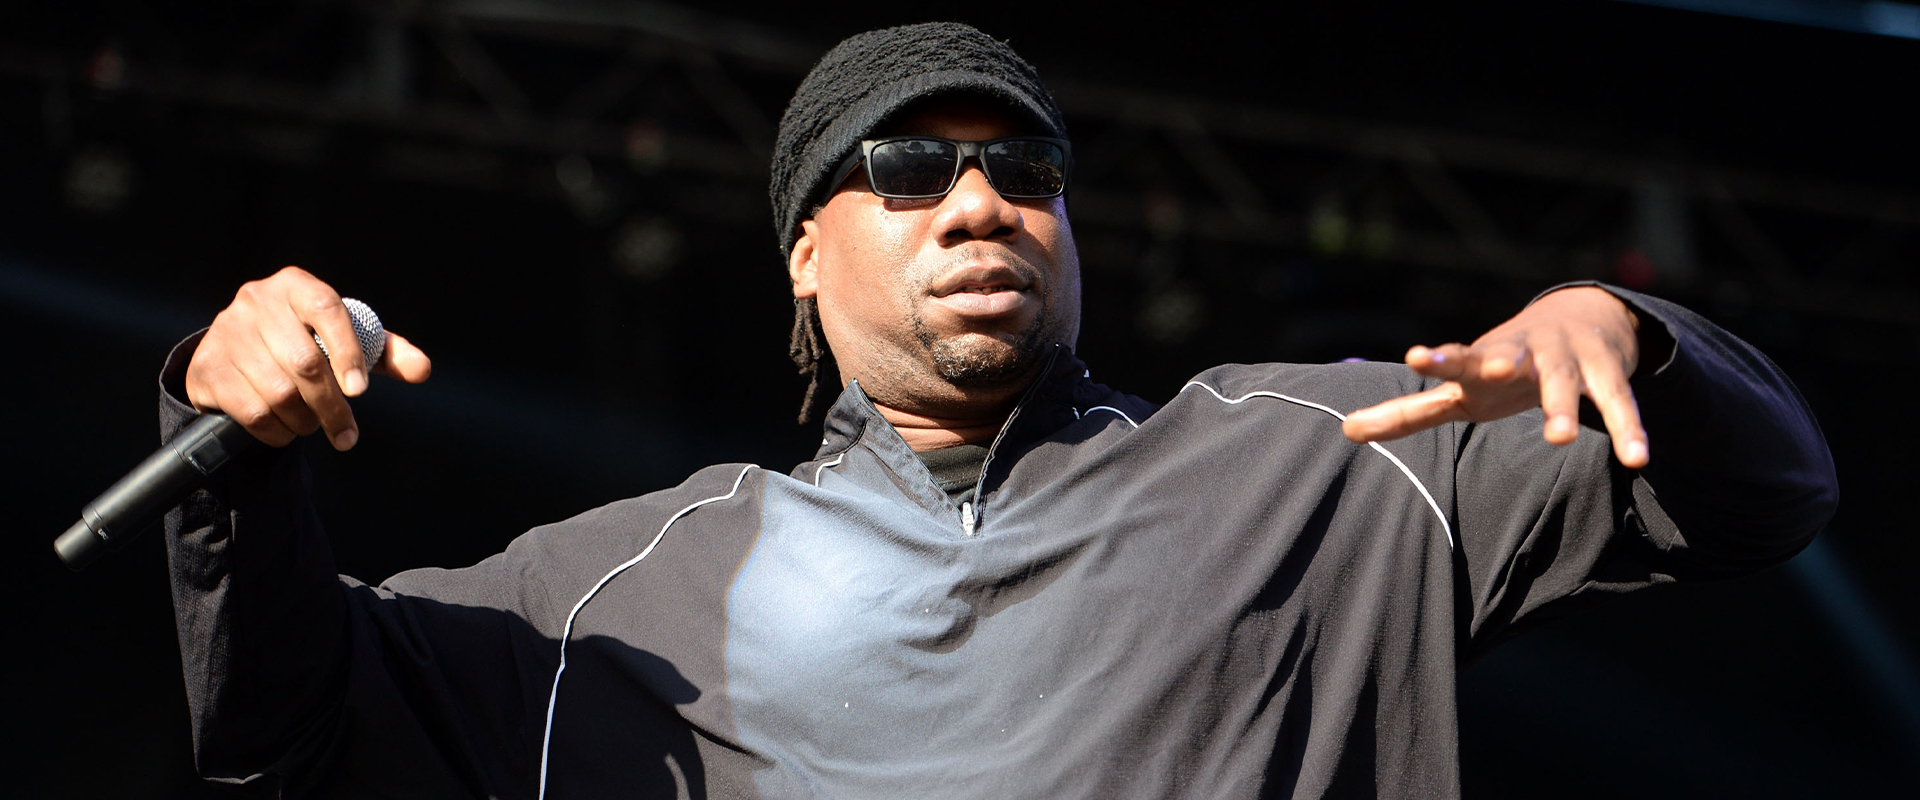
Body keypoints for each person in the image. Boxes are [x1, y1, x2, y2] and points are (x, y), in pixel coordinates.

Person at [159, 22, 1836, 800]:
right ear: (807, 258)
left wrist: (1634, 334)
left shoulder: (1336, 458)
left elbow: (1772, 499)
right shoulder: (613, 599)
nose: (978, 204)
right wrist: (227, 441)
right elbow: (282, 732)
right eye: (908, 170)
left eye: (1022, 169)